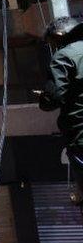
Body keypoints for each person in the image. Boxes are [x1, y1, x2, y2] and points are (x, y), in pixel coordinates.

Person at [38, 16, 83, 198]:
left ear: (59, 35)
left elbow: (54, 97)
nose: (54, 48)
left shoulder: (63, 56)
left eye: (53, 43)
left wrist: (44, 97)